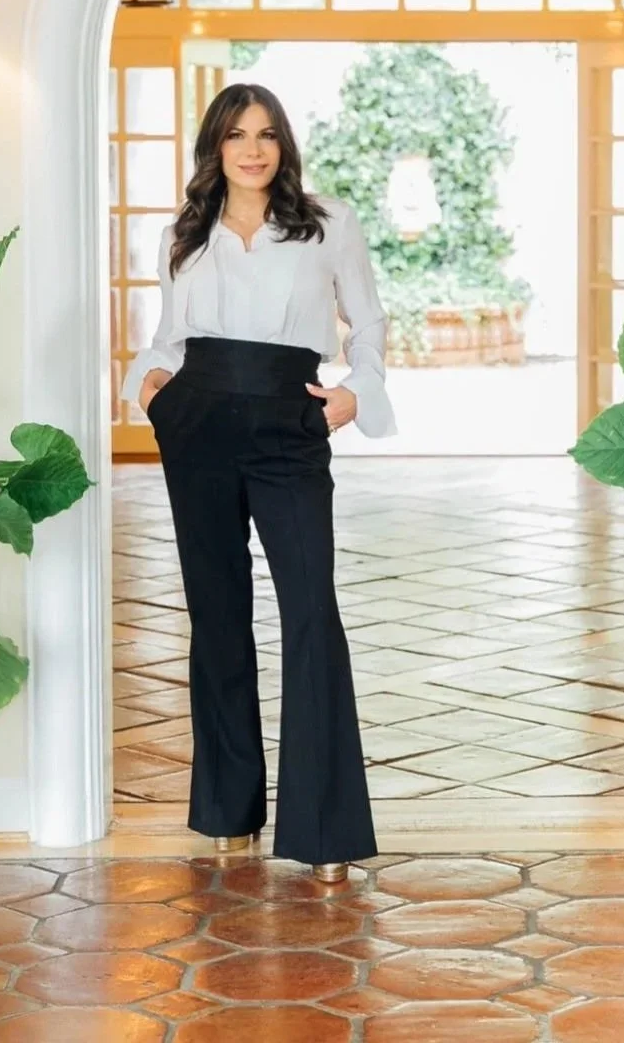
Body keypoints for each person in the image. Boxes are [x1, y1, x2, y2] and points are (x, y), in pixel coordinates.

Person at [121, 81, 397, 884]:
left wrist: (358, 390)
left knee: (312, 609)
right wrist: (152, 387)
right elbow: (169, 335)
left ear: (284, 146)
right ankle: (227, 812)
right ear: (215, 146)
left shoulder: (326, 223)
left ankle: (325, 830)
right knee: (216, 614)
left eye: (267, 133)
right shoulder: (187, 231)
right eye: (238, 134)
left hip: (288, 417)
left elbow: (369, 320)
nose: (253, 148)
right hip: (197, 416)